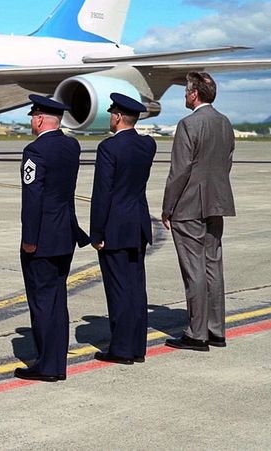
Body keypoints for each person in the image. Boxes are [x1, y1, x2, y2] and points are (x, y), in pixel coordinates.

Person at [15, 94, 90, 382]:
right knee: (58, 300)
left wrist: (29, 238)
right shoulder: (71, 146)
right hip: (64, 234)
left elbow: (32, 198)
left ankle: (47, 365)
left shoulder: (35, 151)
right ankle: (56, 362)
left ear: (39, 119)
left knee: (43, 301)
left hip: (43, 238)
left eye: (34, 116)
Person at [162, 71, 236, 351]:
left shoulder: (188, 124)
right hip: (216, 203)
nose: (184, 96)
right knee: (212, 265)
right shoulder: (224, 123)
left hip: (190, 205)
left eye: (185, 92)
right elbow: (226, 163)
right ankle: (216, 330)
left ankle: (196, 333)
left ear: (194, 94)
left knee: (193, 269)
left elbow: (179, 171)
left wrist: (168, 207)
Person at [89, 93, 156, 365]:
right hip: (138, 223)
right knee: (136, 289)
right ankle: (137, 347)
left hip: (115, 227)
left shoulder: (109, 148)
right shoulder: (147, 145)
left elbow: (102, 193)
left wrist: (97, 232)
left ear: (117, 117)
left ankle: (121, 349)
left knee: (118, 291)